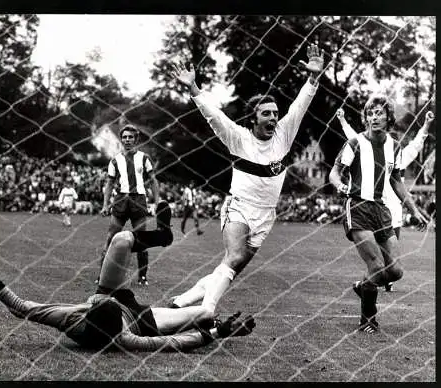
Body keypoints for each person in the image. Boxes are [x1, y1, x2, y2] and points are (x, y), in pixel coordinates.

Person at [0, 201, 255, 352]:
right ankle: (187, 303)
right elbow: (174, 344)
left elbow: (21, 308)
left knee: (123, 239)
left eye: (97, 304)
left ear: (90, 309)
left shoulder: (73, 318)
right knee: (204, 313)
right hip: (144, 318)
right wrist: (218, 332)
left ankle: (162, 236)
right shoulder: (126, 338)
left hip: (113, 294)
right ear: (115, 329)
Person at [168, 44, 324, 313]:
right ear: (254, 119)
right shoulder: (239, 138)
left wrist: (313, 78)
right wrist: (193, 88)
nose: (274, 117)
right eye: (266, 113)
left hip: (266, 215)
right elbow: (213, 116)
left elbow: (300, 105)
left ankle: (182, 301)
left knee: (231, 267)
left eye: (275, 113)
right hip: (239, 206)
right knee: (235, 256)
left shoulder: (284, 136)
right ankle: (205, 312)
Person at [329, 95, 429, 333]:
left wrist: (414, 209)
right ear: (366, 118)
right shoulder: (355, 143)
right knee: (375, 264)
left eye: (379, 113)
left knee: (395, 271)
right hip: (358, 207)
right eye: (370, 113)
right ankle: (367, 319)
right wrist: (340, 185)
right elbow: (334, 173)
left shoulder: (394, 145)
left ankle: (363, 286)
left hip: (381, 209)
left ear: (388, 118)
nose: (374, 117)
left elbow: (396, 180)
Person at [336, 108, 434, 291]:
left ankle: (381, 278)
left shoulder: (400, 154)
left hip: (391, 209)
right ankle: (374, 282)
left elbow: (418, 143)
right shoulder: (362, 144)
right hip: (364, 204)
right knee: (377, 262)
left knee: (393, 265)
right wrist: (342, 121)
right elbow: (354, 137)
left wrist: (427, 124)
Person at [99, 124, 160, 286]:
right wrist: (105, 205)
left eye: (130, 137)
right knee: (111, 237)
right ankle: (101, 275)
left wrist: (157, 201)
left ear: (136, 139)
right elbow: (110, 184)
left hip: (138, 200)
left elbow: (153, 181)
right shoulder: (115, 160)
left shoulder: (144, 158)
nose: (127, 140)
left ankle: (142, 277)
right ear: (121, 139)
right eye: (124, 137)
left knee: (141, 240)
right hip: (120, 200)